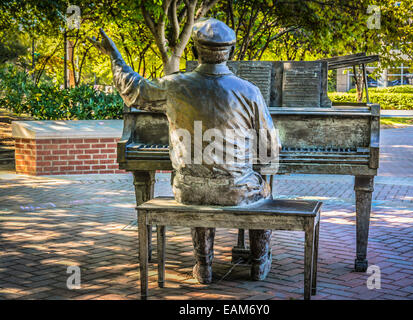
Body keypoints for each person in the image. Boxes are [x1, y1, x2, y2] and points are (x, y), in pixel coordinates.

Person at [89, 18, 280, 283]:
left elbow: (132, 89)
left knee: (199, 184)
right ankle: (259, 263)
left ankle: (203, 266)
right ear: (231, 52)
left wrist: (115, 55)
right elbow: (271, 146)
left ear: (194, 51)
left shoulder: (174, 86)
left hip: (187, 189)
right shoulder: (250, 91)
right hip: (236, 191)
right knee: (262, 189)